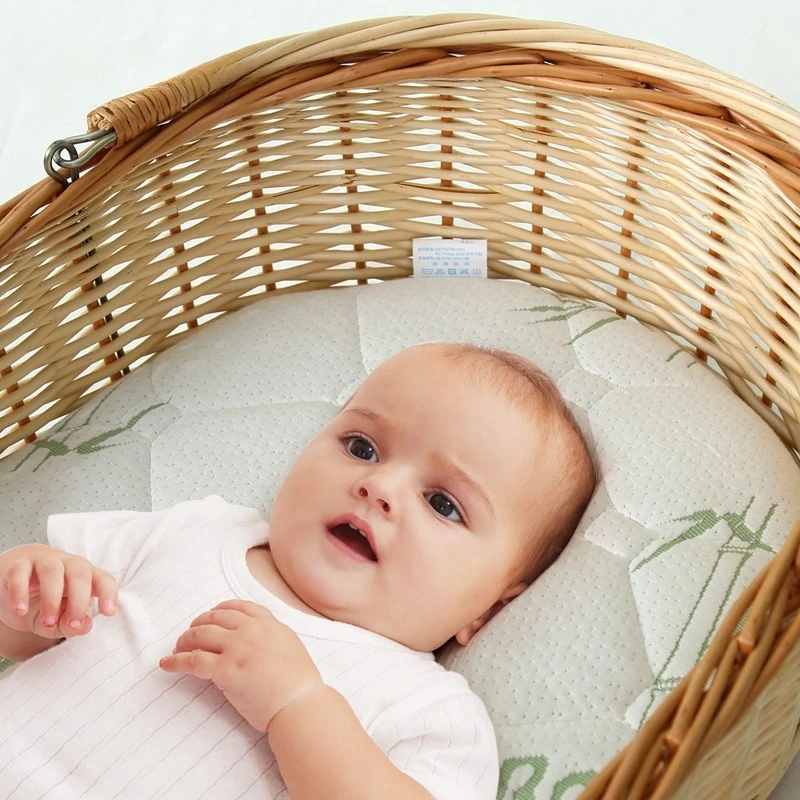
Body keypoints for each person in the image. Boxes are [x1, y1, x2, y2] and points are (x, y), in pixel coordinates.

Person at [0, 341, 596, 800]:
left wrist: (298, 705)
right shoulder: (197, 529)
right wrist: (27, 594)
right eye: (362, 446)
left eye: (443, 504)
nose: (379, 485)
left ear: (487, 610)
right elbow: (28, 634)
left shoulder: (428, 710)